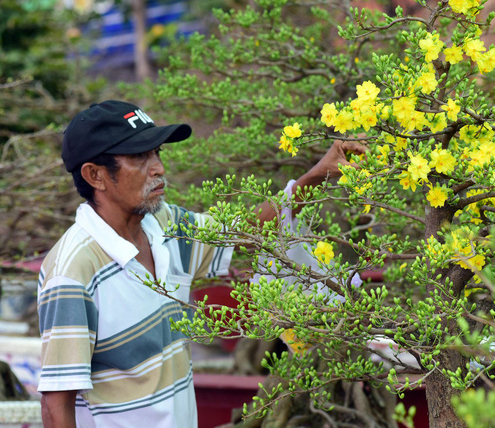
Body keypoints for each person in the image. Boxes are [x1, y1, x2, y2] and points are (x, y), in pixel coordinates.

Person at [37, 100, 365, 427]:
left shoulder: (164, 225)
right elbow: (56, 403)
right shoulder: (71, 271)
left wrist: (318, 174)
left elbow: (245, 231)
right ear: (95, 175)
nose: (158, 168)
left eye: (157, 153)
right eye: (139, 157)